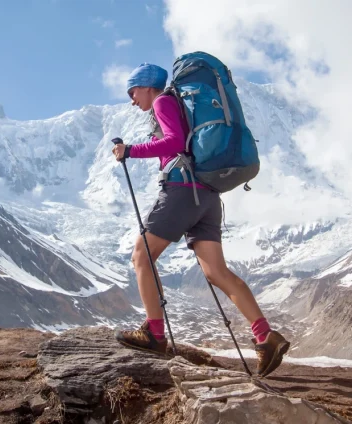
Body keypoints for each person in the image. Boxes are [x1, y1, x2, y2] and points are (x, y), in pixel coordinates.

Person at [111, 63, 290, 378]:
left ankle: (154, 334)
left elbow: (174, 143)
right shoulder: (178, 103)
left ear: (146, 86)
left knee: (142, 256)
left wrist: (130, 151)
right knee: (217, 272)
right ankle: (266, 336)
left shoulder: (164, 101)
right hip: (207, 196)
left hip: (181, 191)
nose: (132, 99)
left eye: (132, 91)